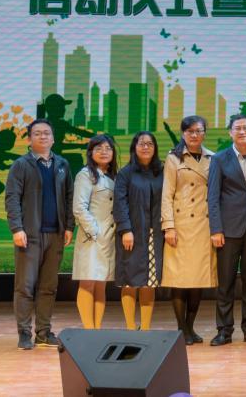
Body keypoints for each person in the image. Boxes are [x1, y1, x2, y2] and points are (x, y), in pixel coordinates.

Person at [5, 118, 74, 349]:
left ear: (53, 138)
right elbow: (12, 198)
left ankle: (44, 332)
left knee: (48, 287)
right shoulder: (20, 165)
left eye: (47, 133)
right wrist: (17, 228)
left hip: (56, 235)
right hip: (29, 235)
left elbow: (69, 197)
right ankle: (24, 334)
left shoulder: (62, 164)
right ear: (29, 139)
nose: (43, 136)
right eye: (37, 133)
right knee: (25, 286)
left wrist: (69, 226)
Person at [207, 114, 246, 346]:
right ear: (230, 132)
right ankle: (224, 330)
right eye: (237, 128)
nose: (242, 132)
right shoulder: (219, 159)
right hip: (228, 230)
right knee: (226, 283)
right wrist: (216, 229)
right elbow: (212, 197)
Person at [161, 115, 217, 345]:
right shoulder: (173, 158)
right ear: (183, 134)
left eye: (198, 131)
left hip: (203, 226)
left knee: (197, 280)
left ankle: (190, 327)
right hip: (181, 225)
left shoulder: (212, 158)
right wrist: (168, 226)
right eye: (190, 131)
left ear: (204, 133)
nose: (194, 135)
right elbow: (167, 194)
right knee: (179, 279)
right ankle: (181, 328)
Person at [114, 131, 165, 331]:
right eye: (141, 143)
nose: (146, 147)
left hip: (154, 235)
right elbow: (120, 203)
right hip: (132, 235)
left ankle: (145, 328)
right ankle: (130, 326)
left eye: (150, 144)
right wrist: (125, 229)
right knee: (129, 280)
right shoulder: (125, 173)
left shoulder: (161, 172)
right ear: (134, 147)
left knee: (149, 282)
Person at [72, 134, 118, 329]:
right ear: (90, 152)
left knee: (101, 283)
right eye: (98, 148)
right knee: (88, 282)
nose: (104, 152)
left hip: (110, 237)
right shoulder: (85, 175)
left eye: (108, 148)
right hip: (92, 238)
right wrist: (95, 232)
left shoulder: (114, 176)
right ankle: (88, 330)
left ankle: (97, 328)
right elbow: (79, 208)